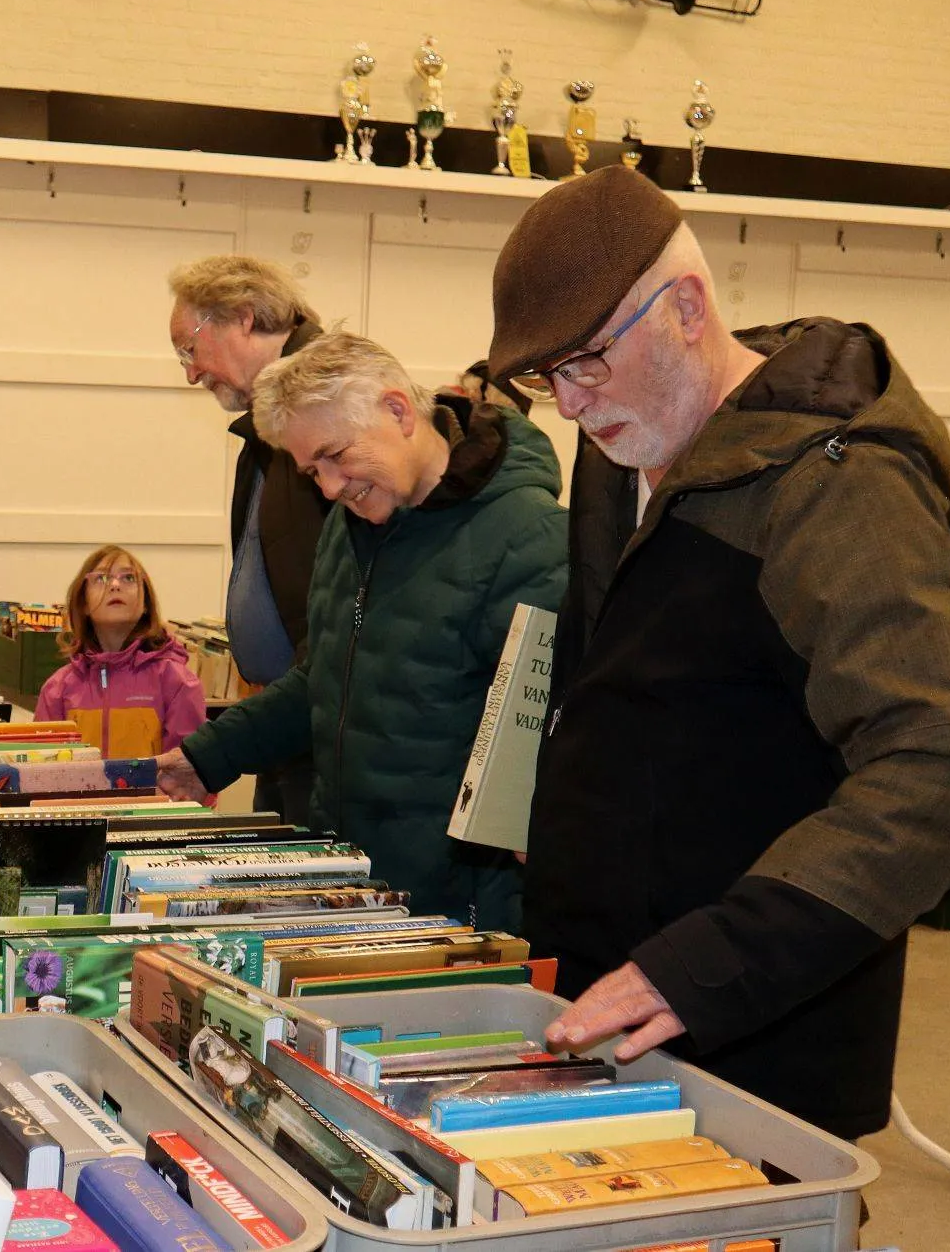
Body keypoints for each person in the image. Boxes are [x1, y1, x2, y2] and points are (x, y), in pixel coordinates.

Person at [491, 166, 950, 1141]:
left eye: (585, 362)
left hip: (752, 1033)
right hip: (605, 1001)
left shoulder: (839, 480)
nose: (565, 405)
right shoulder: (615, 455)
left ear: (685, 308)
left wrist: (709, 963)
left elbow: (942, 760)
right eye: (542, 376)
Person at [156, 332, 567, 931]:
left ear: (399, 411)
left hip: (461, 912)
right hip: (358, 888)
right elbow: (328, 677)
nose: (327, 486)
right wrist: (209, 756)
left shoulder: (526, 535)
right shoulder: (353, 527)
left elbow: (551, 733)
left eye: (336, 456)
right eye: (310, 470)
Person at [168, 255, 333, 825]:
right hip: (285, 727)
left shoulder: (325, 405)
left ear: (242, 316)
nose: (190, 372)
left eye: (189, 348)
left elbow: (337, 622)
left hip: (319, 735)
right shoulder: (269, 425)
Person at [35, 546, 206, 757]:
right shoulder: (57, 690)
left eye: (128, 578)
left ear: (145, 603)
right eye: (102, 578)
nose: (115, 585)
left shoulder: (177, 682)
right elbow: (42, 775)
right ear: (84, 604)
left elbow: (191, 777)